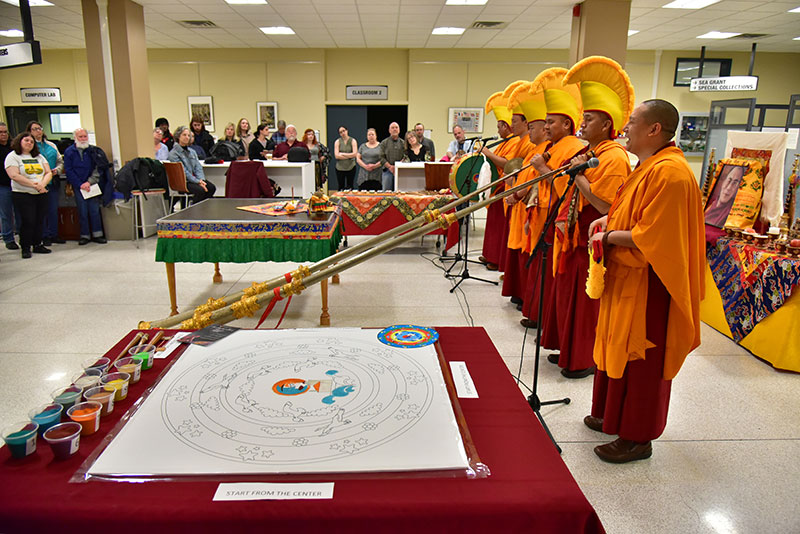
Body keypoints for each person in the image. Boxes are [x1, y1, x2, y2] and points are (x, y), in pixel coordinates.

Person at [584, 99, 705, 463]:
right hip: (627, 277)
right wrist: (606, 224)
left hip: (651, 285)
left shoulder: (671, 173)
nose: (625, 129)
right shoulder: (647, 167)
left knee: (642, 356)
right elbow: (627, 214)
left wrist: (606, 238)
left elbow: (651, 237)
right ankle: (613, 415)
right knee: (616, 344)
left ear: (655, 129)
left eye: (632, 122)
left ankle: (638, 436)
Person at [548, 56, 634, 379]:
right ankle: (569, 352)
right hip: (574, 235)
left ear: (607, 125)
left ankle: (582, 359)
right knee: (570, 298)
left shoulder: (612, 158)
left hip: (591, 238)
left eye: (589, 119)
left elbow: (603, 206)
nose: (582, 124)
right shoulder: (592, 154)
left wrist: (580, 177)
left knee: (585, 305)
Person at [518, 68, 586, 345]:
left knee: (549, 271)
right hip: (541, 213)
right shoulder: (556, 145)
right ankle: (537, 314)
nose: (546, 128)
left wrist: (543, 167)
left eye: (551, 122)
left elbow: (567, 186)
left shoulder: (571, 147)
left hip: (554, 214)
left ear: (568, 125)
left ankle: (544, 319)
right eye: (544, 123)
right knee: (540, 268)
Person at [500, 81, 548, 309]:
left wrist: (517, 194)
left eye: (535, 127)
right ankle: (520, 293)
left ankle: (527, 299)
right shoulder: (534, 148)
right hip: (519, 202)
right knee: (520, 251)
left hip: (533, 208)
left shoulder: (547, 151)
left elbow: (536, 180)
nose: (534, 131)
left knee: (528, 253)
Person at [478, 88, 523, 271]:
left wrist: (487, 153)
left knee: (500, 226)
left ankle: (496, 258)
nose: (498, 130)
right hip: (497, 187)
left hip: (506, 188)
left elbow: (507, 164)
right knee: (493, 225)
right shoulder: (505, 142)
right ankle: (490, 254)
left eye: (499, 126)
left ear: (506, 126)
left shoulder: (514, 142)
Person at [4, 132, 52, 258]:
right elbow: (14, 175)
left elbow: (48, 172)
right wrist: (33, 185)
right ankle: (25, 247)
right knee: (28, 220)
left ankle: (37, 244)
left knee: (39, 219)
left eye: (31, 142)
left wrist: (42, 185)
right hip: (23, 194)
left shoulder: (39, 157)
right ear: (19, 141)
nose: (29, 143)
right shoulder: (13, 156)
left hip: (40, 192)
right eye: (26, 140)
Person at [63, 128, 109, 245]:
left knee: (94, 210)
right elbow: (69, 170)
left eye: (85, 137)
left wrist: (89, 182)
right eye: (80, 137)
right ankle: (85, 235)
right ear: (75, 138)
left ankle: (97, 234)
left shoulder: (93, 151)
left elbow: (98, 167)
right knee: (82, 211)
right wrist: (80, 184)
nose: (83, 139)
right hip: (79, 186)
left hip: (92, 185)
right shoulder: (69, 152)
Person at [27, 121, 65, 246]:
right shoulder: (30, 147)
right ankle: (44, 235)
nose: (38, 131)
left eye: (39, 128)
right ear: (30, 132)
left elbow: (60, 161)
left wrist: (57, 170)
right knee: (41, 212)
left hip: (53, 181)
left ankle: (54, 234)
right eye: (34, 129)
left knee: (53, 210)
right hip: (38, 183)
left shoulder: (51, 145)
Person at [168, 125, 216, 203]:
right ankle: (194, 210)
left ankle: (203, 209)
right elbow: (183, 171)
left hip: (195, 179)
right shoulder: (173, 154)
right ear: (178, 136)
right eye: (184, 135)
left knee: (211, 188)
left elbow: (198, 167)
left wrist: (201, 180)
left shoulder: (192, 152)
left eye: (189, 135)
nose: (187, 137)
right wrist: (197, 182)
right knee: (200, 190)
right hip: (184, 181)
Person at [0, 122, 21, 250]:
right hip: (3, 185)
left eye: (5, 132)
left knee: (19, 212)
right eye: (0, 132)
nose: (3, 135)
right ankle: (8, 238)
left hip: (17, 184)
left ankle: (22, 234)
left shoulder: (14, 148)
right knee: (6, 213)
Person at [379, 122, 404, 190]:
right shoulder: (384, 143)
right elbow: (381, 157)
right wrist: (390, 167)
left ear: (399, 130)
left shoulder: (403, 143)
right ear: (389, 130)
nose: (394, 129)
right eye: (392, 128)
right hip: (387, 170)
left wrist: (397, 166)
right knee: (387, 194)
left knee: (400, 192)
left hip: (400, 171)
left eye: (396, 127)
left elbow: (405, 156)